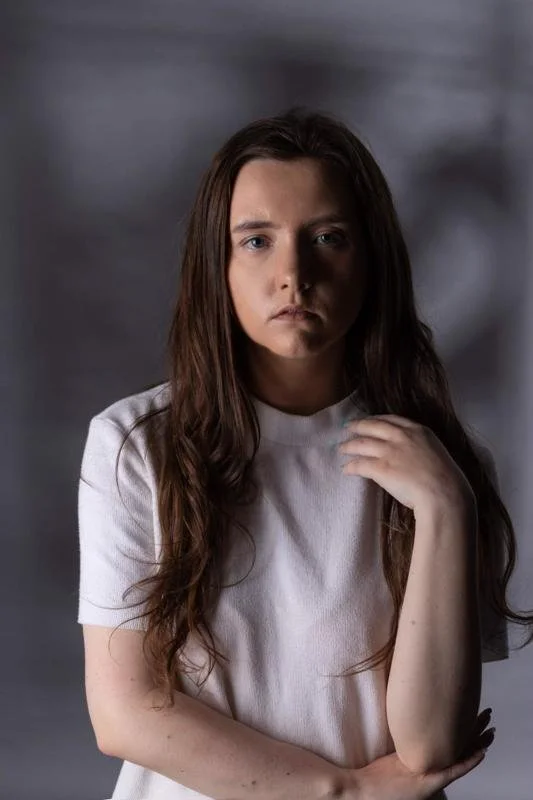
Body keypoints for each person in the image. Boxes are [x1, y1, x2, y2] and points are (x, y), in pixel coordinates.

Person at [78, 107, 529, 800]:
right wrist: (343, 791)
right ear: (217, 265)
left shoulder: (444, 468)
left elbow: (431, 745)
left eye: (328, 238)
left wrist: (445, 509)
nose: (294, 273)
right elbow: (127, 715)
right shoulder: (136, 445)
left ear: (372, 260)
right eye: (257, 240)